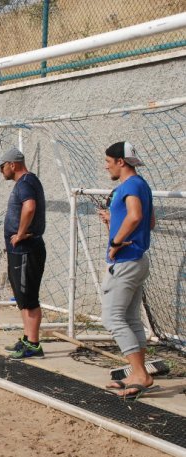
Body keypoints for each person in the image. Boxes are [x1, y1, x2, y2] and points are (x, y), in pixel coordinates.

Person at [99, 142, 156, 399]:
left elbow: (134, 217)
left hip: (125, 261)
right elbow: (149, 221)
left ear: (121, 161)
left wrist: (115, 242)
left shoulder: (129, 185)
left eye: (109, 161)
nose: (106, 166)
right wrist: (114, 221)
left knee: (112, 319)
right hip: (137, 260)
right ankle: (137, 373)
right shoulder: (142, 184)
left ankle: (140, 373)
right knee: (131, 318)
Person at [0, 147, 47, 359]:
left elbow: (30, 207)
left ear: (12, 165)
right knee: (22, 297)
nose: (1, 171)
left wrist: (20, 233)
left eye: (2, 166)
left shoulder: (25, 183)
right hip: (21, 251)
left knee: (29, 297)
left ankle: (34, 345)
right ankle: (27, 338)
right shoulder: (26, 182)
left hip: (27, 249)